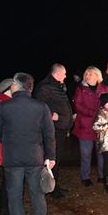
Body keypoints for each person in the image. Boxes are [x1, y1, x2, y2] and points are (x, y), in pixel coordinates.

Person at [0, 72, 56, 215]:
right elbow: (49, 134)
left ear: (16, 86)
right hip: (34, 157)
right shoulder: (41, 106)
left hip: (12, 158)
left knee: (14, 195)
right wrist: (51, 156)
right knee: (37, 194)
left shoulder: (3, 107)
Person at [34, 63, 74, 199]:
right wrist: (51, 115)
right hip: (53, 129)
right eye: (64, 73)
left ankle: (54, 184)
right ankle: (50, 188)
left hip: (61, 128)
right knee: (52, 157)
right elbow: (39, 105)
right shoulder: (45, 87)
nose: (66, 76)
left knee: (57, 157)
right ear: (57, 74)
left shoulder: (58, 86)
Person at [72, 66, 108, 186]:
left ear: (97, 75)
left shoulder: (104, 88)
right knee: (86, 153)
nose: (88, 76)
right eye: (87, 74)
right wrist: (92, 113)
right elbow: (78, 105)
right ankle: (85, 177)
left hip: (101, 125)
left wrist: (103, 114)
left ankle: (102, 175)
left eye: (91, 74)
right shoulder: (80, 88)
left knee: (101, 152)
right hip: (85, 125)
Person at [0, 78, 13, 215]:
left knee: (7, 179)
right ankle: (3, 210)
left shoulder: (2, 101)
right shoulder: (4, 103)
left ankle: (5, 210)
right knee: (8, 180)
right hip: (6, 148)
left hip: (5, 147)